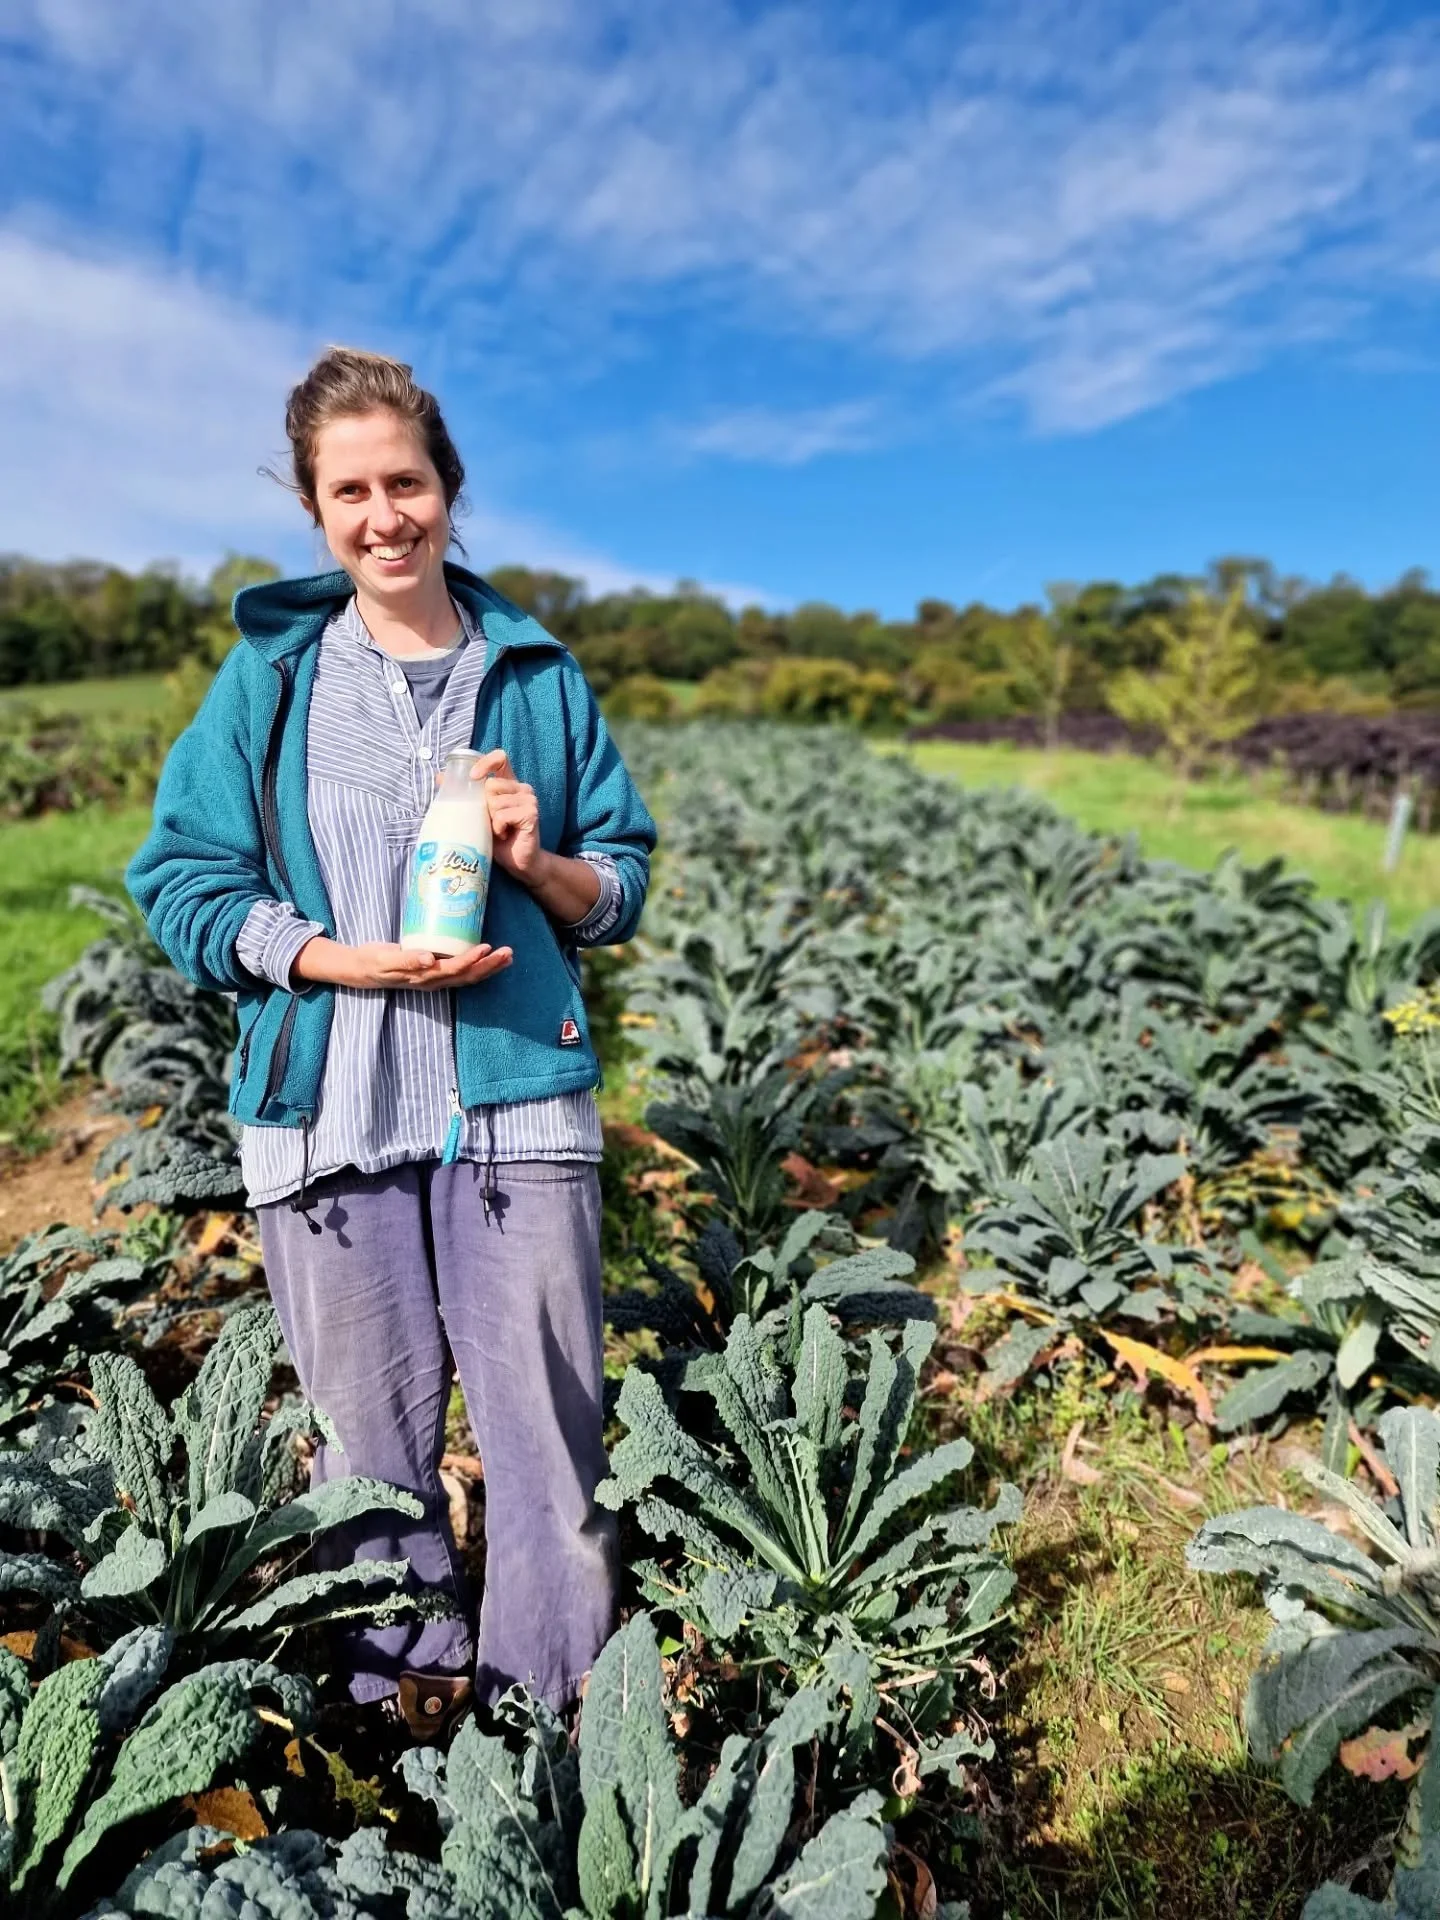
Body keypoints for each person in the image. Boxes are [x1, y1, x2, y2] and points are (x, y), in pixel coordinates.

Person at [127, 346, 657, 1740]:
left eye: (405, 481)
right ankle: (395, 1691)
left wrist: (544, 864)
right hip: (328, 1109)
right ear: (316, 511)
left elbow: (624, 882)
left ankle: (549, 1710)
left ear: (449, 488)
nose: (384, 515)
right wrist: (328, 956)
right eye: (349, 490)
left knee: (548, 1440)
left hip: (516, 1113)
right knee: (368, 1448)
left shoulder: (534, 675)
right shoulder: (272, 682)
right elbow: (178, 882)